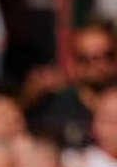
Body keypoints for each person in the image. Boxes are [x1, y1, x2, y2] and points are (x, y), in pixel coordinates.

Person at [28, 21, 117, 154]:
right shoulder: (55, 110)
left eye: (107, 55)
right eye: (85, 59)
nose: (99, 65)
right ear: (73, 63)